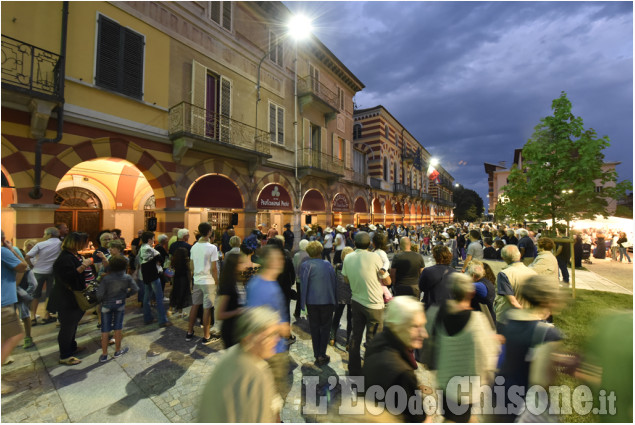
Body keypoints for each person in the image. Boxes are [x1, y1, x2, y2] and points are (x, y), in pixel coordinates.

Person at [495, 275, 563, 422]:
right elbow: (541, 379)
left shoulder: (510, 317)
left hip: (501, 390)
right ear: (548, 300)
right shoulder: (548, 334)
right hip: (524, 399)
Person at [198, 306, 283, 422]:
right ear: (249, 338)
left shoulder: (232, 353)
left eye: (276, 333)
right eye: (270, 335)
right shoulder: (257, 374)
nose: (277, 339)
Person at [436, 273, 500, 423]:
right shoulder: (477, 320)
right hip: (465, 384)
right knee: (455, 419)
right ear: (471, 293)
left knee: (462, 417)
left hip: (445, 379)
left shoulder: (441, 314)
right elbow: (487, 354)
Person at [362, 296, 427, 423]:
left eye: (423, 325)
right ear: (396, 326)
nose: (424, 334)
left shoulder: (378, 340)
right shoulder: (403, 373)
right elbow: (418, 418)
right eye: (415, 326)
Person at [342, 231, 391, 376]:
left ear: (354, 243)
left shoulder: (348, 257)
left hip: (356, 301)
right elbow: (388, 281)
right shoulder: (374, 257)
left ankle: (354, 368)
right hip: (374, 305)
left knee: (355, 337)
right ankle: (372, 371)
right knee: (373, 339)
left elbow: (346, 279)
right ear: (369, 244)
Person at [246, 245, 291, 399]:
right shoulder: (265, 288)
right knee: (274, 397)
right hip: (271, 351)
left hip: (271, 349)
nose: (282, 262)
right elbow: (254, 320)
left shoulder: (260, 282)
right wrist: (281, 327)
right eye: (279, 259)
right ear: (271, 262)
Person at [49, 232, 93, 365]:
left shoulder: (73, 255)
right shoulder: (64, 259)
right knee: (67, 326)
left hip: (74, 297)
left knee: (73, 324)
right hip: (66, 298)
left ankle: (72, 347)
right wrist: (84, 266)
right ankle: (65, 355)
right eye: (83, 242)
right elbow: (67, 277)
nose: (85, 245)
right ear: (75, 243)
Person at [299, 241, 337, 366]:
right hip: (327, 300)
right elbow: (333, 282)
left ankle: (317, 354)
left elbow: (303, 285)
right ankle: (322, 353)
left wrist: (302, 304)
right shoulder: (327, 264)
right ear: (320, 251)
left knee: (314, 328)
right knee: (325, 328)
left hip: (312, 301)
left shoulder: (305, 265)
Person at [96, 255, 138, 362]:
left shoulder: (106, 278)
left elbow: (99, 295)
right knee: (118, 327)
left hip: (106, 304)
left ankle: (104, 354)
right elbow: (135, 289)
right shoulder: (127, 277)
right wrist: (127, 294)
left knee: (105, 329)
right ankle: (117, 350)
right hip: (120, 304)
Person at [1, 230, 27, 392]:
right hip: (3, 302)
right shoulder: (3, 251)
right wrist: (11, 250)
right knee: (15, 335)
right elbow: (23, 266)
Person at [186, 222, 219, 344]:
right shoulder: (212, 248)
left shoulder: (194, 247)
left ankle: (189, 332)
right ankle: (206, 336)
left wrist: (195, 277)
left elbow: (191, 266)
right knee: (207, 309)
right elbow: (214, 268)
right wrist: (217, 282)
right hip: (208, 281)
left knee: (195, 305)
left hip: (197, 280)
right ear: (209, 232)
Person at [494, 244, 537, 332]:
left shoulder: (504, 274)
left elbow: (512, 301)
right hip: (530, 316)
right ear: (520, 255)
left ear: (503, 257)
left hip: (507, 318)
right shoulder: (533, 273)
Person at [26, 227, 62, 325]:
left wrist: (31, 265)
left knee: (35, 294)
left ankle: (33, 316)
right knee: (49, 294)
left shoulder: (40, 244)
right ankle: (46, 315)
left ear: (50, 235)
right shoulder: (61, 244)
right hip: (52, 272)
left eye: (45, 234)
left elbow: (27, 256)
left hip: (38, 271)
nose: (43, 236)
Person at [138, 231, 171, 328]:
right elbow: (160, 258)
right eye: (153, 238)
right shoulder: (150, 249)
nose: (154, 240)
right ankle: (163, 320)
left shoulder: (141, 248)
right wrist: (157, 261)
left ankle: (147, 318)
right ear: (149, 240)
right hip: (153, 274)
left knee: (146, 297)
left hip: (145, 274)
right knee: (159, 298)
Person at [216, 252, 247, 348]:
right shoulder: (228, 286)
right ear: (234, 266)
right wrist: (237, 311)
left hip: (238, 328)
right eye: (241, 263)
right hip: (231, 331)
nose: (244, 265)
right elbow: (219, 314)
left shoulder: (237, 280)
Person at [330, 246, 354, 349]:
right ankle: (349, 342)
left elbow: (334, 281)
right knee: (350, 319)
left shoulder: (338, 266)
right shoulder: (355, 268)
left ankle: (332, 337)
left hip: (340, 295)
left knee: (337, 316)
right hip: (352, 296)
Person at [419, 245, 456, 310]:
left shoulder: (427, 271)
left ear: (434, 256)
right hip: (449, 308)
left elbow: (422, 287)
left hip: (432, 307)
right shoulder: (455, 272)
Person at [168, 247, 192, 318]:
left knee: (174, 293)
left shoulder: (173, 261)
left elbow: (171, 270)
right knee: (182, 295)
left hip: (176, 279)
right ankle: (180, 312)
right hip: (184, 280)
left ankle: (170, 309)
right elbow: (189, 272)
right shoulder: (186, 261)